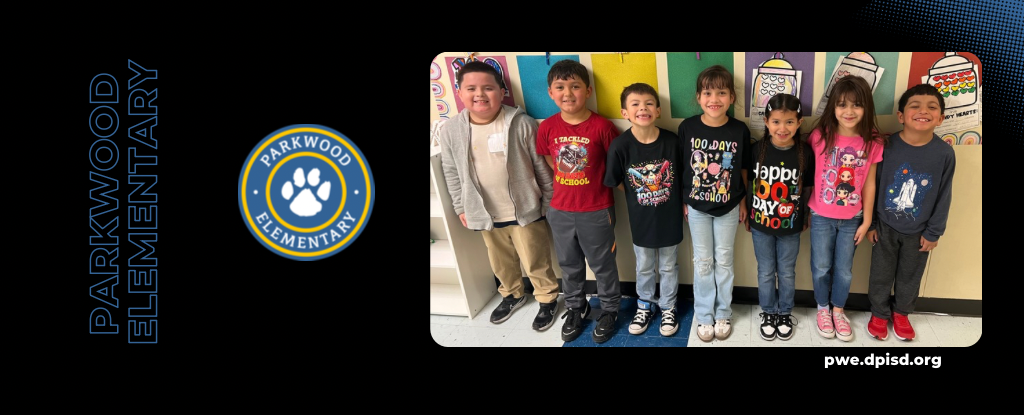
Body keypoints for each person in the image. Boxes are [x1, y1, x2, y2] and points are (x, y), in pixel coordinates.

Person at [438, 61, 559, 329]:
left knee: (535, 258)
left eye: (488, 88)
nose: (480, 94)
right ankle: (513, 294)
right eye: (471, 88)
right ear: (459, 92)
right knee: (500, 260)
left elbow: (541, 166)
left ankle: (547, 298)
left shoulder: (521, 123)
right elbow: (451, 171)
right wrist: (461, 206)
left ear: (501, 91)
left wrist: (549, 202)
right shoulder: (452, 130)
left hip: (526, 209)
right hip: (484, 212)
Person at [536, 60, 623, 342]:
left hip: (596, 210)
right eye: (560, 87)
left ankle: (610, 309)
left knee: (603, 264)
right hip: (560, 209)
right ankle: (576, 307)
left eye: (575, 86)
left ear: (587, 90)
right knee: (569, 264)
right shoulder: (547, 127)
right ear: (550, 92)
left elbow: (615, 166)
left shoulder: (603, 127)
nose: (568, 93)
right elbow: (551, 163)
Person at [866, 84, 956, 341]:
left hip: (920, 231)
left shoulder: (944, 153)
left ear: (940, 118)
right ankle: (879, 313)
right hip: (884, 225)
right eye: (914, 106)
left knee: (910, 275)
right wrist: (871, 223)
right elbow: (872, 185)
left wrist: (934, 231)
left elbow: (944, 194)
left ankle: (902, 313)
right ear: (901, 115)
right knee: (880, 273)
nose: (923, 111)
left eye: (932, 108)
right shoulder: (886, 145)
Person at [806, 75, 886, 342]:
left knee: (844, 269)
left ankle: (838, 310)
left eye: (856, 105)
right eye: (842, 104)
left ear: (866, 108)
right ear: (833, 107)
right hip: (820, 216)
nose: (849, 111)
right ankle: (822, 309)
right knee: (820, 266)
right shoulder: (819, 137)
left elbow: (870, 184)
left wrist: (868, 221)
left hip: (853, 217)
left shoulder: (872, 142)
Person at [677, 65, 751, 342]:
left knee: (724, 260)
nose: (714, 99)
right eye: (708, 92)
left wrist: (743, 201)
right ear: (698, 97)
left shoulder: (739, 130)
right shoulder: (688, 127)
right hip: (696, 208)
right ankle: (705, 315)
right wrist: (684, 201)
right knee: (703, 262)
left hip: (729, 207)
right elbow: (683, 166)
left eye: (722, 92)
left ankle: (723, 312)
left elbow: (743, 168)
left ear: (732, 97)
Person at [605, 83, 685, 338]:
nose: (643, 108)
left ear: (658, 110)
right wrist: (640, 195)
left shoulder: (672, 141)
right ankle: (645, 305)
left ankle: (669, 306)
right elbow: (616, 181)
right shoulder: (620, 145)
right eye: (635, 104)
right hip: (641, 220)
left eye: (649, 103)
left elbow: (683, 175)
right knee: (644, 266)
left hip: (670, 219)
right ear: (625, 112)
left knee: (669, 266)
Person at [745, 93, 814, 341]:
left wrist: (804, 215)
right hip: (761, 224)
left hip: (791, 226)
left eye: (788, 122)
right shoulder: (756, 150)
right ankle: (768, 311)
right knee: (765, 271)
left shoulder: (805, 153)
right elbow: (749, 183)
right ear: (766, 121)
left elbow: (807, 189)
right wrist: (748, 212)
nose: (782, 128)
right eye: (776, 121)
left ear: (799, 122)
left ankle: (784, 312)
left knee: (786, 271)